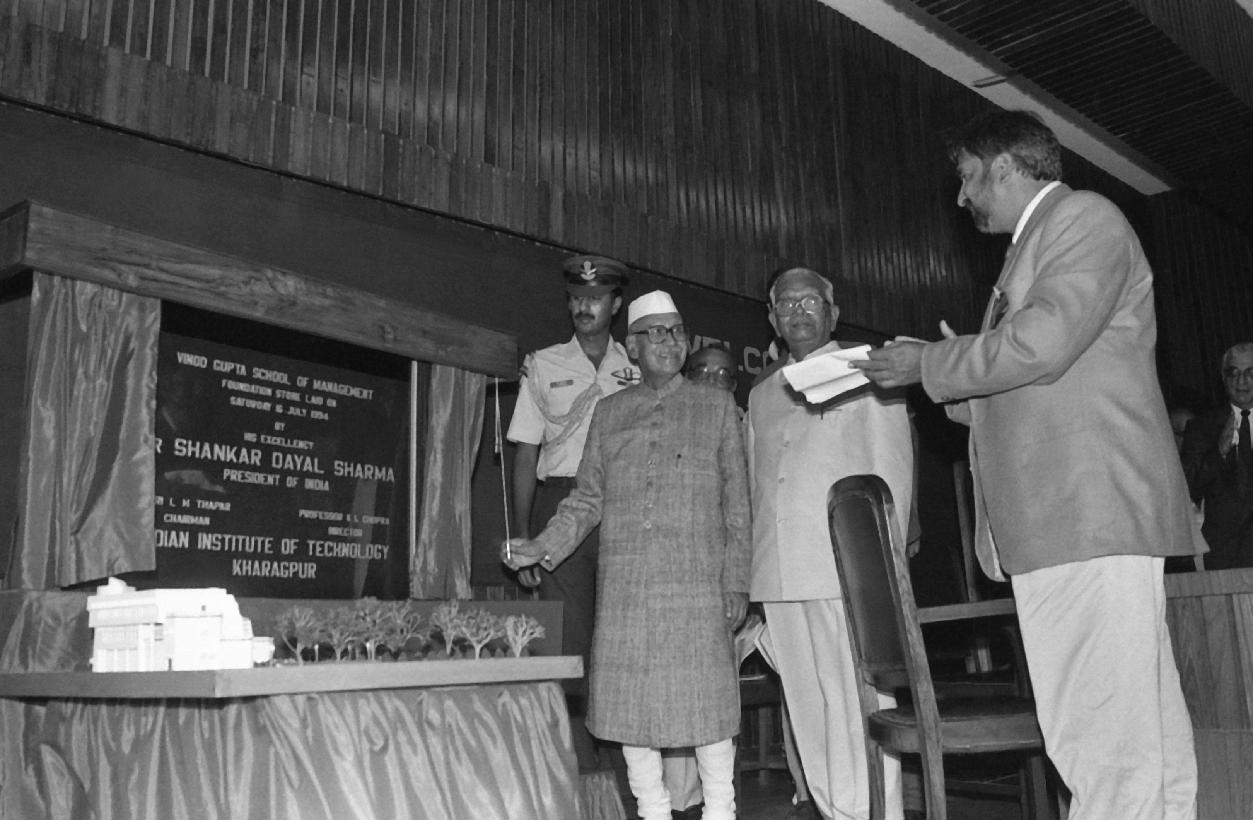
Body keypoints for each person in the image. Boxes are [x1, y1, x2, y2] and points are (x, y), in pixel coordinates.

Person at [853, 109, 1200, 820]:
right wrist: (955, 386)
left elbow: (1042, 344)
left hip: (1080, 513)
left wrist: (934, 361)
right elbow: (1042, 380)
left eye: (967, 178)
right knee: (1138, 732)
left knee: (1097, 731)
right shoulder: (1038, 244)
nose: (961, 198)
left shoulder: (1082, 217)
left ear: (1006, 166)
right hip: (1076, 516)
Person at [503, 290, 752, 820]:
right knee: (628, 701)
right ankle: (652, 809)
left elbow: (737, 505)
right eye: (655, 333)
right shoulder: (610, 412)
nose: (669, 341)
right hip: (627, 584)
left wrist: (736, 582)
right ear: (633, 347)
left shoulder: (716, 408)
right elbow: (586, 499)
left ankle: (721, 810)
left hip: (697, 580)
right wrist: (542, 546)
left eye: (677, 332)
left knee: (707, 700)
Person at [746, 266, 914, 820]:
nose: (798, 312)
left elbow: (892, 471)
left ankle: (879, 813)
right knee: (808, 711)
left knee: (859, 704)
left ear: (833, 312)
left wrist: (885, 566)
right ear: (772, 319)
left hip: (848, 570)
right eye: (786, 304)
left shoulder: (866, 371)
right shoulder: (762, 392)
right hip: (779, 573)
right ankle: (833, 812)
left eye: (810, 302)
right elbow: (756, 485)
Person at [506, 254, 638, 771]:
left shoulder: (638, 366)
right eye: (578, 297)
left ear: (616, 304)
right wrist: (524, 535)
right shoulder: (544, 364)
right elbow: (526, 453)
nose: (586, 306)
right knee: (570, 639)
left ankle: (628, 764)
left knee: (623, 638)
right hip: (561, 505)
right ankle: (582, 770)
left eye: (597, 298)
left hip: (624, 512)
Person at [1180, 342, 1253, 570]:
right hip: (1224, 554)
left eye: (1250, 372)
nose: (1242, 381)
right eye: (1234, 373)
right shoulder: (1202, 427)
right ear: (1223, 378)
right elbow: (1187, 488)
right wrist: (1218, 452)